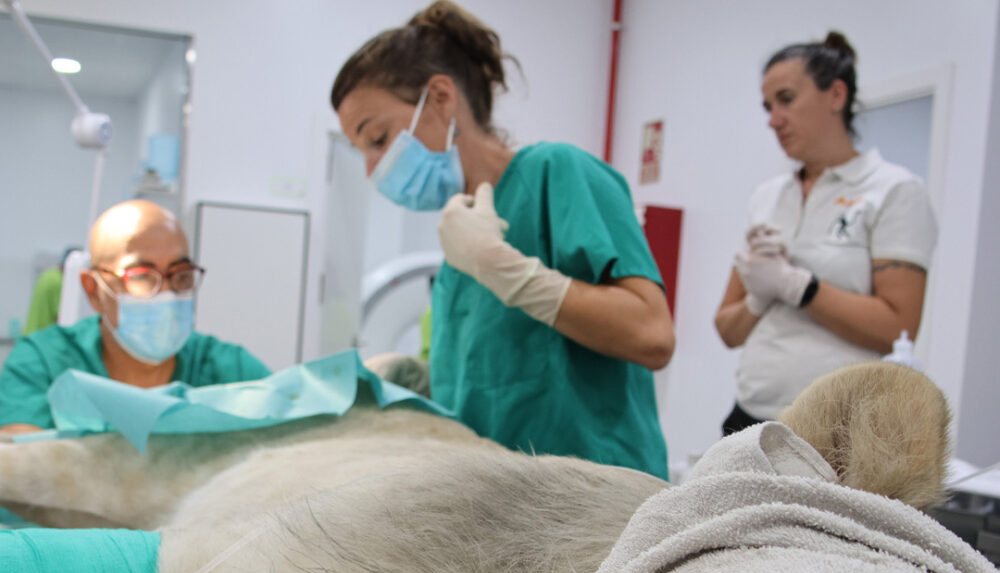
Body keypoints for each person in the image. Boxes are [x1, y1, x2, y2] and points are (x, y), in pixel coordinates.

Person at [331, 1, 674, 478]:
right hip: (503, 509)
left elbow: (652, 335)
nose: (372, 169)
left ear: (441, 97)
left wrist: (506, 270)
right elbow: (496, 383)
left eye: (378, 138)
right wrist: (417, 381)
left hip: (597, 506)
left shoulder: (556, 174)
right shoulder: (459, 247)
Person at [714, 32, 937, 436]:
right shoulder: (768, 197)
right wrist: (759, 296)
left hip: (835, 429)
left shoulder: (893, 190)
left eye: (786, 99)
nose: (773, 119)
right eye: (768, 106)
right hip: (751, 416)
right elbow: (727, 330)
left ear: (835, 95)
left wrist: (797, 286)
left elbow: (896, 329)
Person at [0, 200, 271, 435]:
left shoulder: (229, 369)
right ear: (93, 290)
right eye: (141, 276)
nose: (166, 292)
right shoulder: (44, 362)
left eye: (181, 274)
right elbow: (23, 464)